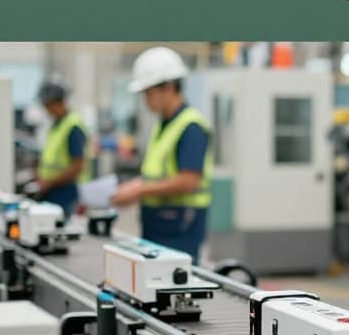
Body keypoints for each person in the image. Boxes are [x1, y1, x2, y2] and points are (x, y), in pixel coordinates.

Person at [109, 47, 213, 262]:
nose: (146, 100)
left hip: (180, 227)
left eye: (149, 93)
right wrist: (133, 186)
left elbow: (188, 181)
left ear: (169, 87)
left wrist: (139, 190)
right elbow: (157, 175)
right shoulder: (163, 125)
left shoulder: (191, 127)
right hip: (158, 225)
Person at [31, 77, 90, 217]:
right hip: (50, 191)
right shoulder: (55, 125)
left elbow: (77, 166)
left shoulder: (72, 126)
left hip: (65, 194)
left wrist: (49, 183)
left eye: (47, 104)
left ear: (57, 102)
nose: (45, 109)